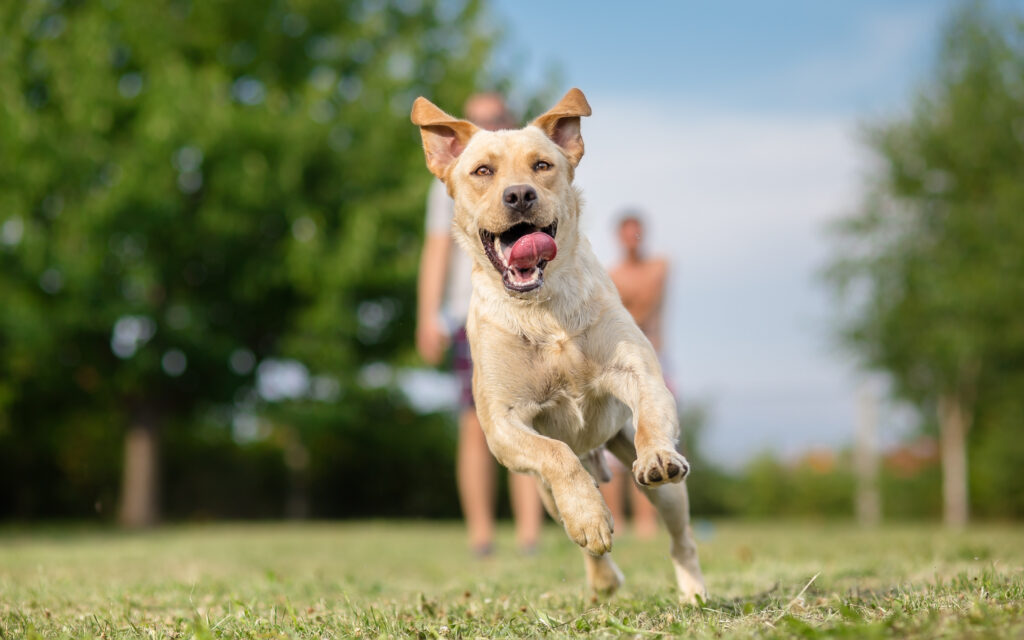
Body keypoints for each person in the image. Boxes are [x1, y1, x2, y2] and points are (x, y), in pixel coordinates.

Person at [416, 92, 543, 556]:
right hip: (470, 314)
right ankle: (481, 536)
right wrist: (426, 316)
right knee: (475, 425)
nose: (490, 125)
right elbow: (437, 249)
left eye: (498, 118)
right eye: (480, 119)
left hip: (525, 308)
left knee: (527, 420)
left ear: (510, 121)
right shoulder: (453, 177)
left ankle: (530, 536)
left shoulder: (528, 174)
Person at [600, 212, 669, 539]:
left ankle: (646, 521)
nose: (632, 240)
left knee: (654, 435)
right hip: (621, 358)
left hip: (655, 359)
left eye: (637, 234)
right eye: (627, 234)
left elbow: (643, 305)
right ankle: (619, 520)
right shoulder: (611, 274)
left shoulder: (659, 268)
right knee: (614, 442)